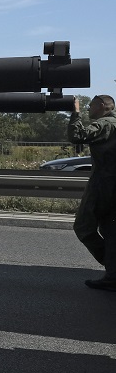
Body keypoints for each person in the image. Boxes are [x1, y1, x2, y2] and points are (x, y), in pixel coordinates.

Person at [68, 94, 116, 290]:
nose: (89, 108)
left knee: (83, 227)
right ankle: (113, 277)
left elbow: (77, 136)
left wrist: (75, 112)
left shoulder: (105, 124)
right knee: (111, 231)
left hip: (102, 184)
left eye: (91, 105)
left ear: (103, 106)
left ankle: (113, 269)